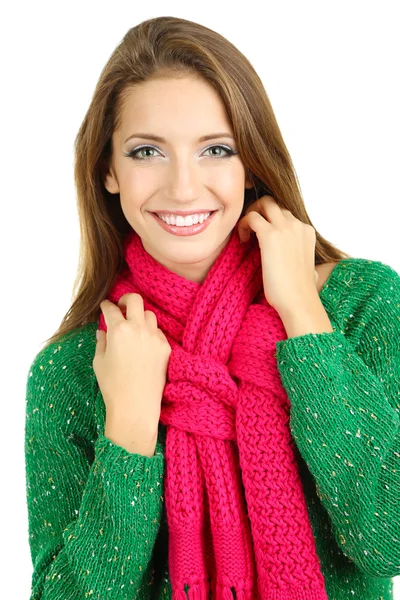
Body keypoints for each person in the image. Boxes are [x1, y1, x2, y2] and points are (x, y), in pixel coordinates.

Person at [24, 15, 399, 600]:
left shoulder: (358, 305)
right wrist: (128, 432)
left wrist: (304, 319)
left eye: (215, 149)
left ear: (249, 163)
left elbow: (389, 538)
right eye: (147, 151)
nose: (182, 187)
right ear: (108, 170)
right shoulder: (73, 369)